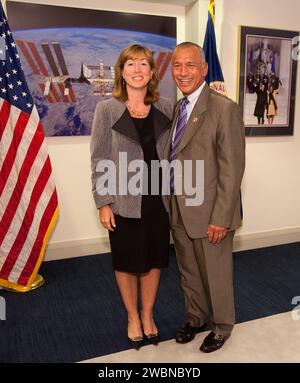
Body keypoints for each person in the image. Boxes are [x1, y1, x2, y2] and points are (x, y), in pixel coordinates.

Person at [90, 44, 173, 349]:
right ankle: (132, 317)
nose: (137, 70)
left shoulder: (167, 107)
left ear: (152, 72)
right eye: (130, 65)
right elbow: (99, 158)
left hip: (158, 199)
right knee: (126, 261)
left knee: (154, 260)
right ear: (121, 72)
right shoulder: (107, 109)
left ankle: (148, 314)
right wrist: (103, 202)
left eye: (143, 64)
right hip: (123, 200)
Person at [164, 42, 245, 353]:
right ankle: (195, 316)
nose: (183, 72)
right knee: (189, 271)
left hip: (211, 213)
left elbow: (232, 169)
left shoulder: (224, 108)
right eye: (177, 66)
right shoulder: (178, 107)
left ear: (204, 68)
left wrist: (221, 219)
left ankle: (222, 326)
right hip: (180, 210)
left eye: (190, 65)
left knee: (216, 274)